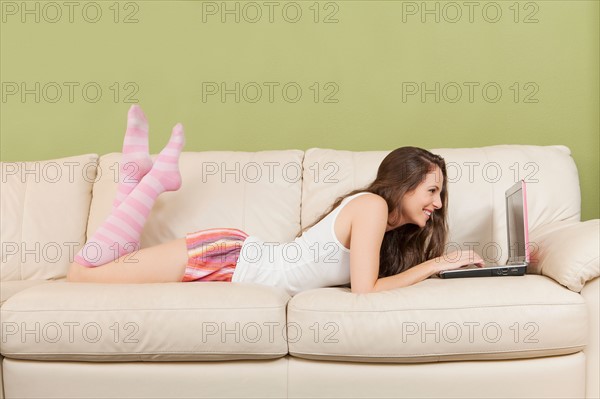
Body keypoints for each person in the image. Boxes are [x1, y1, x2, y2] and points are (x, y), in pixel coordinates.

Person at [67, 105, 485, 294]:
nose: (439, 203)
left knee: (107, 266)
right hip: (226, 256)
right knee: (82, 275)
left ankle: (139, 179)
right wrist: (436, 265)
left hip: (234, 257)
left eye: (441, 194)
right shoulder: (372, 207)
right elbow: (365, 289)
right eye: (433, 190)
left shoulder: (386, 228)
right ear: (404, 184)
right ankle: (149, 181)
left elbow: (373, 280)